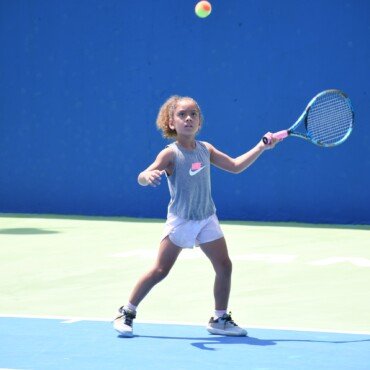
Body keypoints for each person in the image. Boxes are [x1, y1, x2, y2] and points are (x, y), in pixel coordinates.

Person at [113, 95, 279, 337]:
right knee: (160, 270)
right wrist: (146, 177)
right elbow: (143, 174)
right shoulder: (170, 154)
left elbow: (234, 166)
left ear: (200, 122)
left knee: (224, 265)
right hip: (181, 220)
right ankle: (126, 311)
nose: (188, 118)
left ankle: (219, 318)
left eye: (193, 114)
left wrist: (261, 146)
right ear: (171, 123)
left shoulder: (206, 149)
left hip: (206, 218)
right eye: (182, 115)